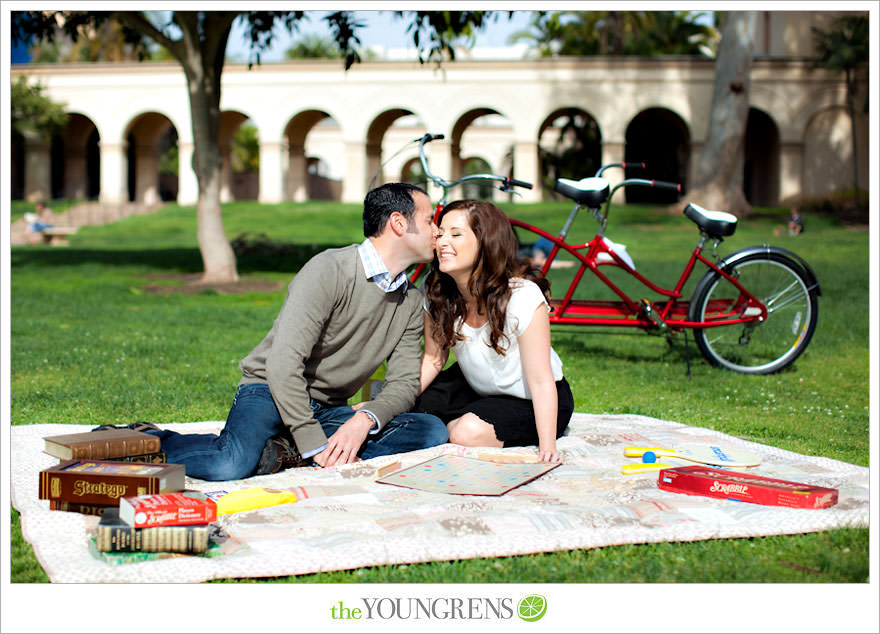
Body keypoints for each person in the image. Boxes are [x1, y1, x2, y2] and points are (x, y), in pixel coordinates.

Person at [103, 183, 449, 481]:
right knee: (230, 464)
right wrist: (312, 440)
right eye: (429, 220)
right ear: (399, 223)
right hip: (269, 389)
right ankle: (149, 438)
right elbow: (283, 363)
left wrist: (364, 421)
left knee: (429, 430)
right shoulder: (329, 270)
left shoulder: (409, 300)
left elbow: (404, 383)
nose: (437, 231)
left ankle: (282, 450)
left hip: (328, 407)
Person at [415, 200, 574, 462]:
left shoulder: (521, 296)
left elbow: (540, 380)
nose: (442, 242)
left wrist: (547, 448)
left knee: (466, 433)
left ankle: (457, 423)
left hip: (532, 398)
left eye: (455, 234)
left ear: (486, 241)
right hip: (476, 388)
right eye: (440, 233)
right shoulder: (436, 290)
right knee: (404, 408)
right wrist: (388, 406)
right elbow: (433, 359)